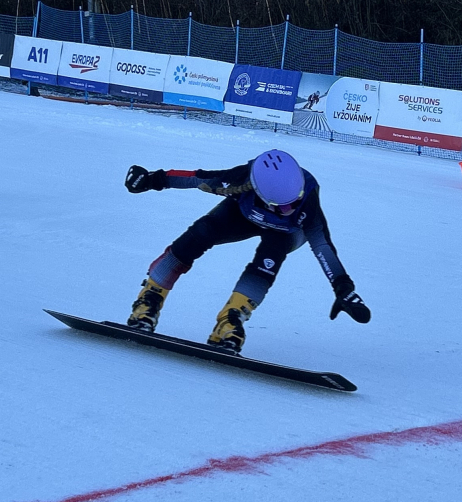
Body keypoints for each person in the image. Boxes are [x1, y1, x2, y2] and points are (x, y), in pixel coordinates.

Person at [122, 149, 370, 353]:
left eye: (296, 200)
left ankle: (232, 318)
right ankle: (149, 299)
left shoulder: (307, 198)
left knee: (270, 256)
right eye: (283, 206)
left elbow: (322, 245)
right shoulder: (240, 180)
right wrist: (152, 179)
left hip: (288, 233)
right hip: (243, 213)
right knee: (201, 233)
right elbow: (198, 178)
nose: (291, 209)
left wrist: (343, 288)